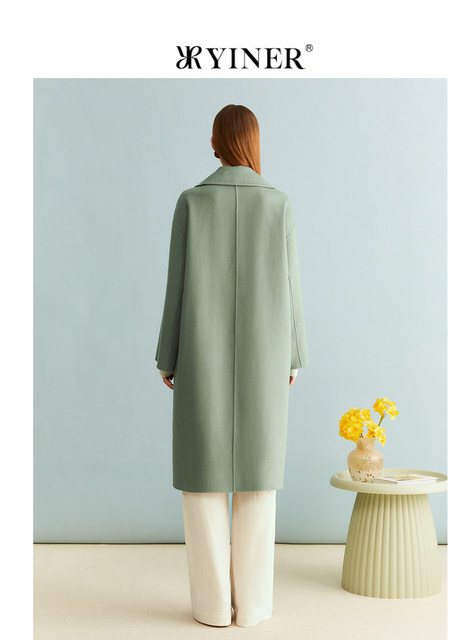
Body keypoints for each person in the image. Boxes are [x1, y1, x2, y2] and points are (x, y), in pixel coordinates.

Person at [155, 104, 308, 627]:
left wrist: (167, 355)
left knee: (202, 485)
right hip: (266, 357)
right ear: (254, 142)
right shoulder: (278, 204)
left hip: (200, 355)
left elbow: (176, 288)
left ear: (216, 143)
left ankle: (213, 607)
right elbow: (292, 287)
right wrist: (294, 355)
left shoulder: (192, 202)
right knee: (258, 484)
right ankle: (254, 608)